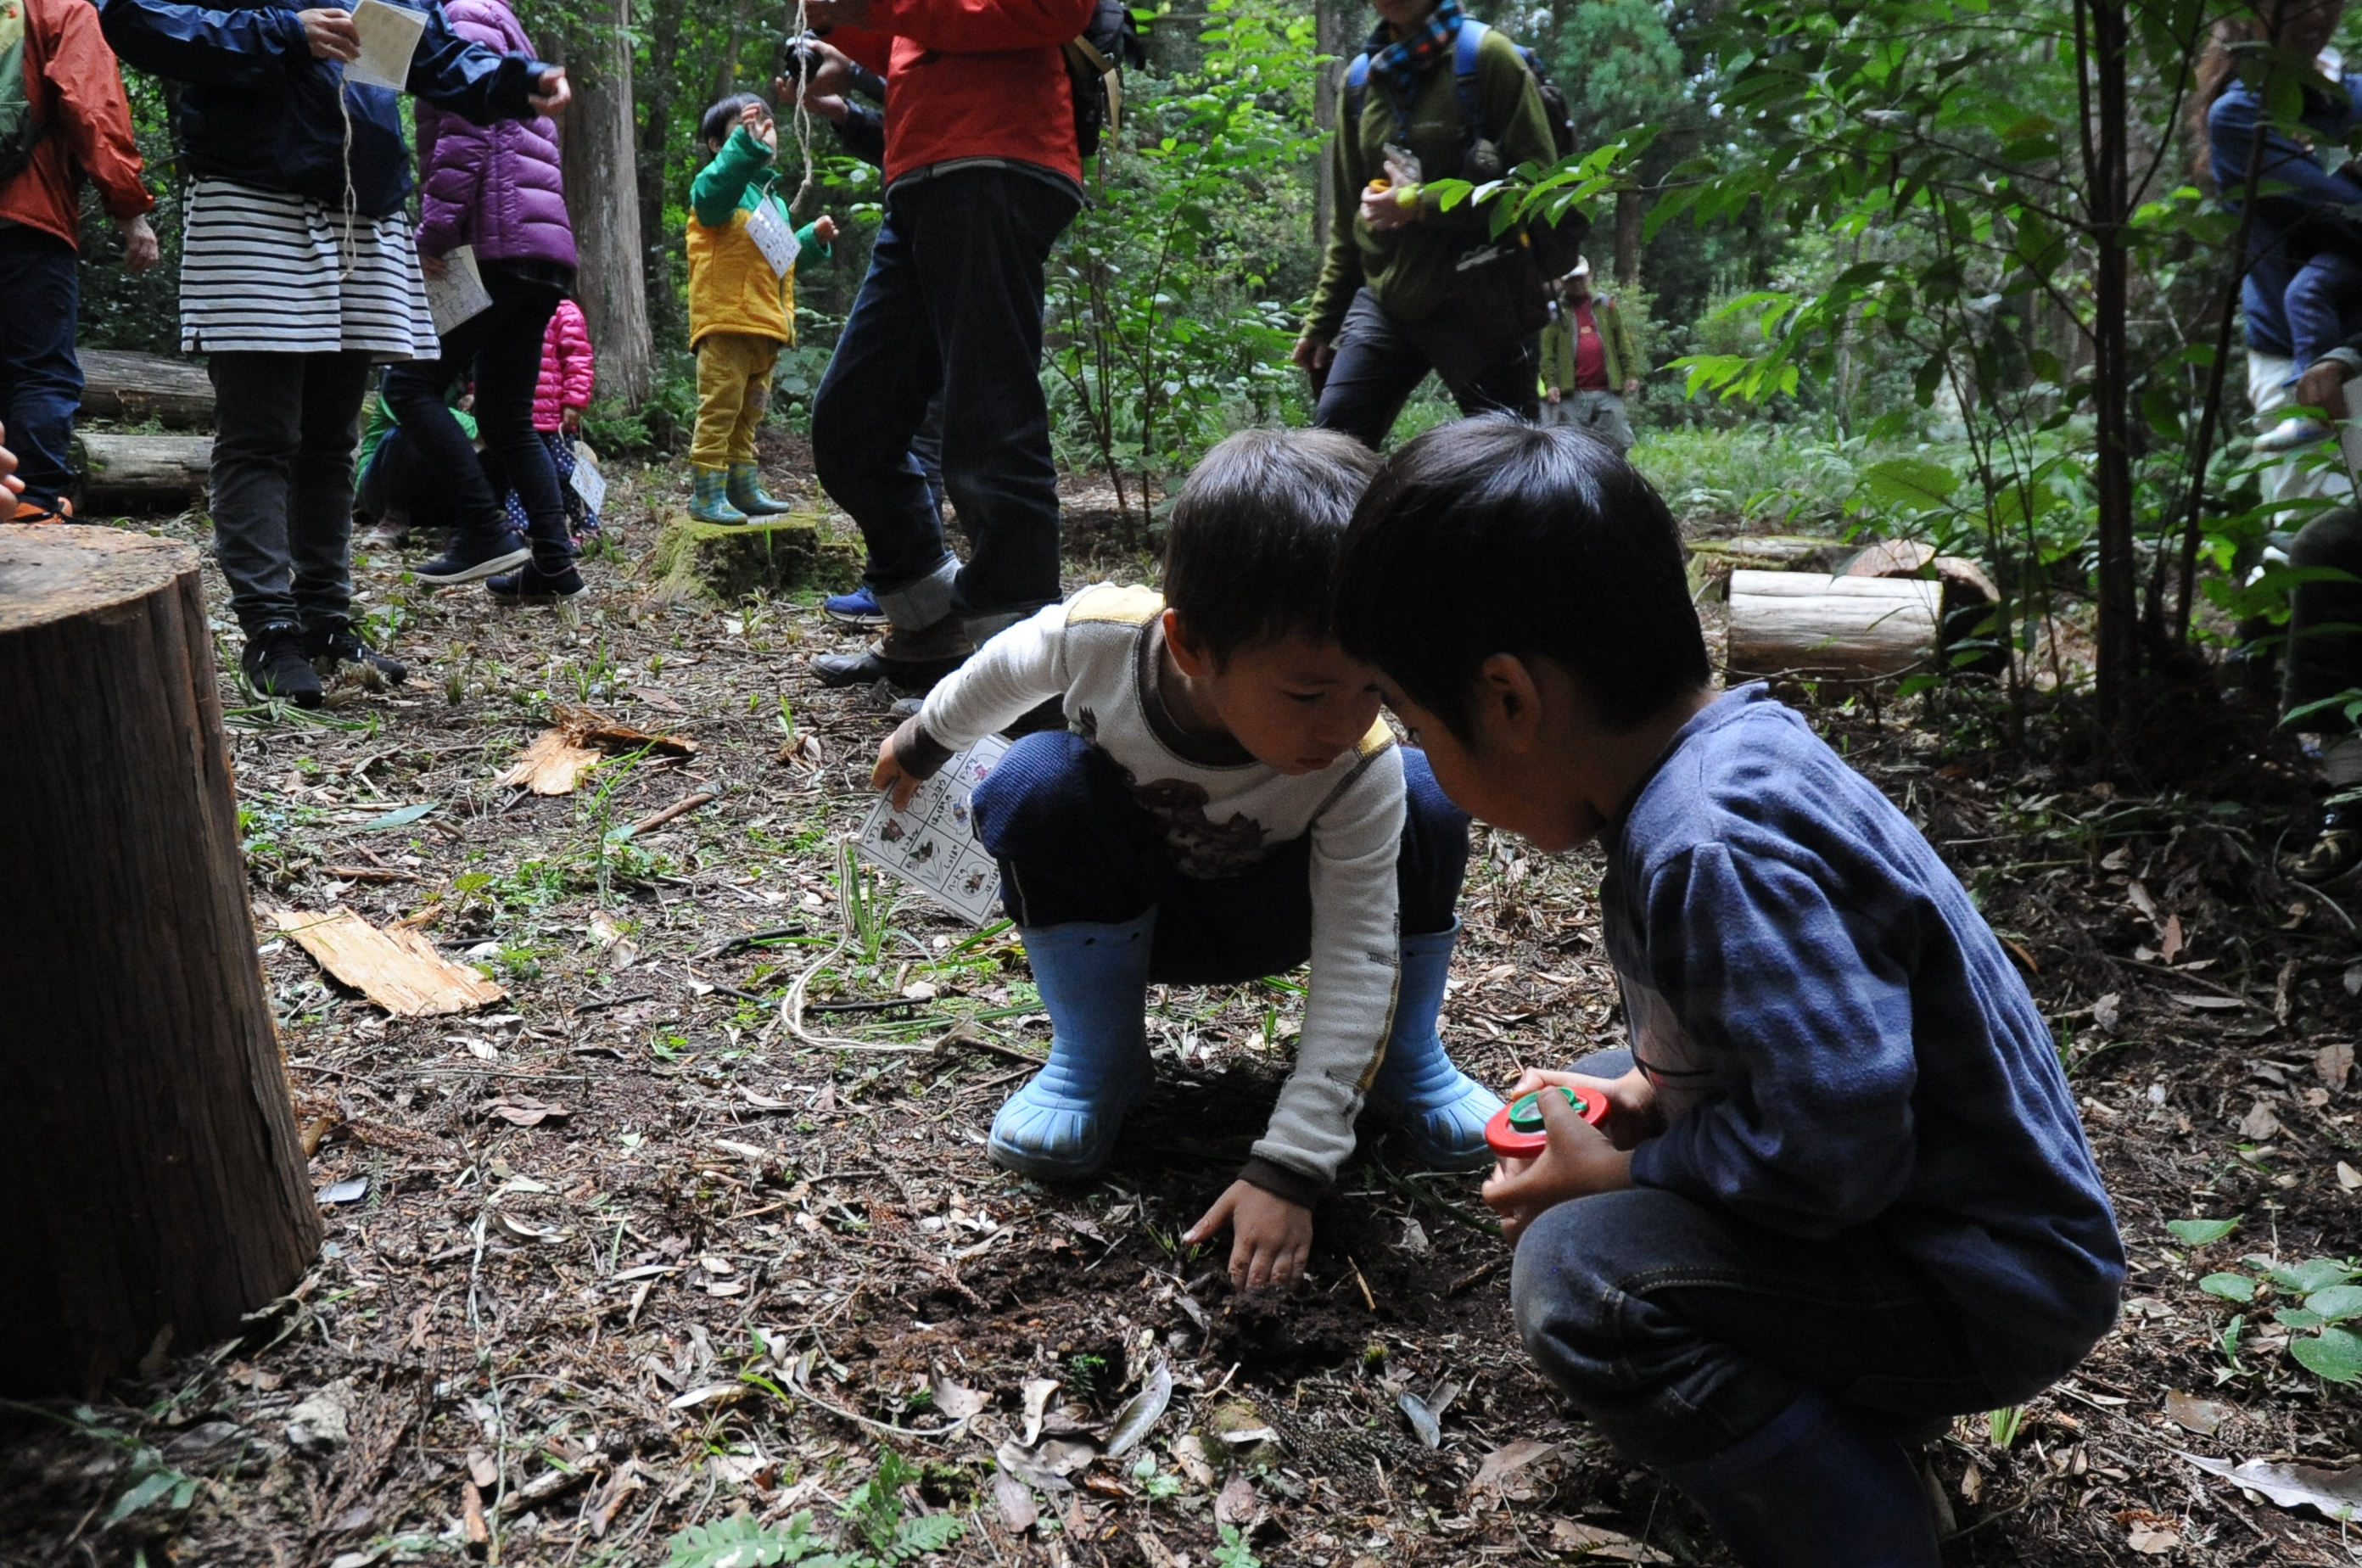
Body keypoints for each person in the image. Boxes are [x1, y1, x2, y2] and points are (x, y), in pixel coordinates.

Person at [1331, 420, 2125, 1568]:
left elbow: (1838, 1142)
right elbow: (1772, 1048)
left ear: (1506, 698)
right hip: (1947, 1220)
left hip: (1980, 1279)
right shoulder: (1728, 757)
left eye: (1415, 725)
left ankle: (1860, 1536)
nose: (1421, 759)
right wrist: (1648, 1097)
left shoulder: (1709, 846)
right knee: (1607, 1086)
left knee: (1580, 1271)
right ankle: (1838, 1398)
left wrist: (1632, 1168)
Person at [868, 429, 1499, 1289]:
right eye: (1310, 692)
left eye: (1375, 690)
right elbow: (1009, 665)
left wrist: (1294, 1164)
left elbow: (1358, 953)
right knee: (1035, 780)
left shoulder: (1359, 764)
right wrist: (926, 736)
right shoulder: (1103, 639)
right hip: (1131, 913)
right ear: (1192, 645)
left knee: (1425, 793)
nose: (1345, 723)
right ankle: (1101, 1059)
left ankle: (1402, 1058)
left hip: (1282, 913)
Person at [100, 0, 569, 705]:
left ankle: (327, 621)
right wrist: (284, 33)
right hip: (251, 192)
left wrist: (515, 79)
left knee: (330, 439)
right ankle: (270, 631)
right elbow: (137, 19)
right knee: (260, 434)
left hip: (366, 205)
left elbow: (429, 52)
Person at [798, 0, 1095, 694]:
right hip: (923, 169)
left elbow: (1054, 11)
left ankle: (1021, 690)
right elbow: (929, 38)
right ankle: (934, 630)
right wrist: (848, 41)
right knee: (853, 427)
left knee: (990, 427)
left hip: (998, 155)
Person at [384, 0, 584, 602]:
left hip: (493, 243)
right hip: (541, 252)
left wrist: (433, 235)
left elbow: (464, 131)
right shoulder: (505, 24)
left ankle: (484, 529)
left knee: (409, 386)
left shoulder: (464, 17)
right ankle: (553, 564)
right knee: (505, 416)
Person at [1294, 0, 1555, 450]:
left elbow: (1542, 190)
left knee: (1510, 467)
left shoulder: (1487, 57)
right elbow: (1347, 220)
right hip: (1387, 300)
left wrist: (1422, 204)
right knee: (1330, 447)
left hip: (1483, 300)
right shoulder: (1361, 81)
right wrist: (1322, 322)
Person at [782, 32, 951, 627]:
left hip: (983, 195)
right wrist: (847, 112)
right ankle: (921, 614)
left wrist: (856, 72)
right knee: (860, 429)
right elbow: (918, 128)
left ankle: (1011, 671)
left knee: (974, 443)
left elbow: (955, 98)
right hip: (915, 206)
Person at [0, 0, 159, 522]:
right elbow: (92, 105)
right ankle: (33, 502)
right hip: (28, 217)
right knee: (40, 370)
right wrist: (130, 211)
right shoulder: (58, 7)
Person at [2199, 2, 2362, 489]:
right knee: (2313, 547)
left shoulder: (2351, 95)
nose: (2315, 13)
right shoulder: (2243, 114)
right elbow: (2347, 221)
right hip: (2305, 364)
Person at [685, 93, 835, 525]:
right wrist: (746, 149)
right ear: (718, 144)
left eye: (768, 124)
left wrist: (811, 238)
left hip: (764, 325)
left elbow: (782, 257)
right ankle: (706, 491)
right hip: (727, 320)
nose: (764, 131)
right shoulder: (715, 186)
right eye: (748, 126)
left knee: (749, 412)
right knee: (720, 408)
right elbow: (719, 188)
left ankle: (741, 486)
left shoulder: (768, 201)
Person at [501, 294, 598, 540]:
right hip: (520, 416)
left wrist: (573, 403)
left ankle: (587, 525)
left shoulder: (565, 312)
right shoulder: (510, 309)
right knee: (519, 475)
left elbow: (578, 360)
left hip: (554, 420)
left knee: (567, 472)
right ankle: (519, 529)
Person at [355, 377, 479, 549]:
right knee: (411, 429)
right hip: (380, 492)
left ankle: (472, 528)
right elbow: (416, 412)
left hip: (440, 496)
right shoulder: (402, 376)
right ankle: (393, 522)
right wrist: (479, 426)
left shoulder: (473, 376)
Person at [1536, 258, 1641, 454]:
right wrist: (1551, 383)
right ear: (1563, 283)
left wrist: (1631, 374)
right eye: (1572, 280)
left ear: (1589, 276)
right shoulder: (1556, 311)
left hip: (1608, 389)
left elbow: (1622, 343)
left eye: (1581, 278)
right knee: (1571, 448)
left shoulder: (1605, 305)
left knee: (1617, 444)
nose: (1577, 283)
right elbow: (1547, 351)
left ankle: (1615, 480)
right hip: (1572, 393)